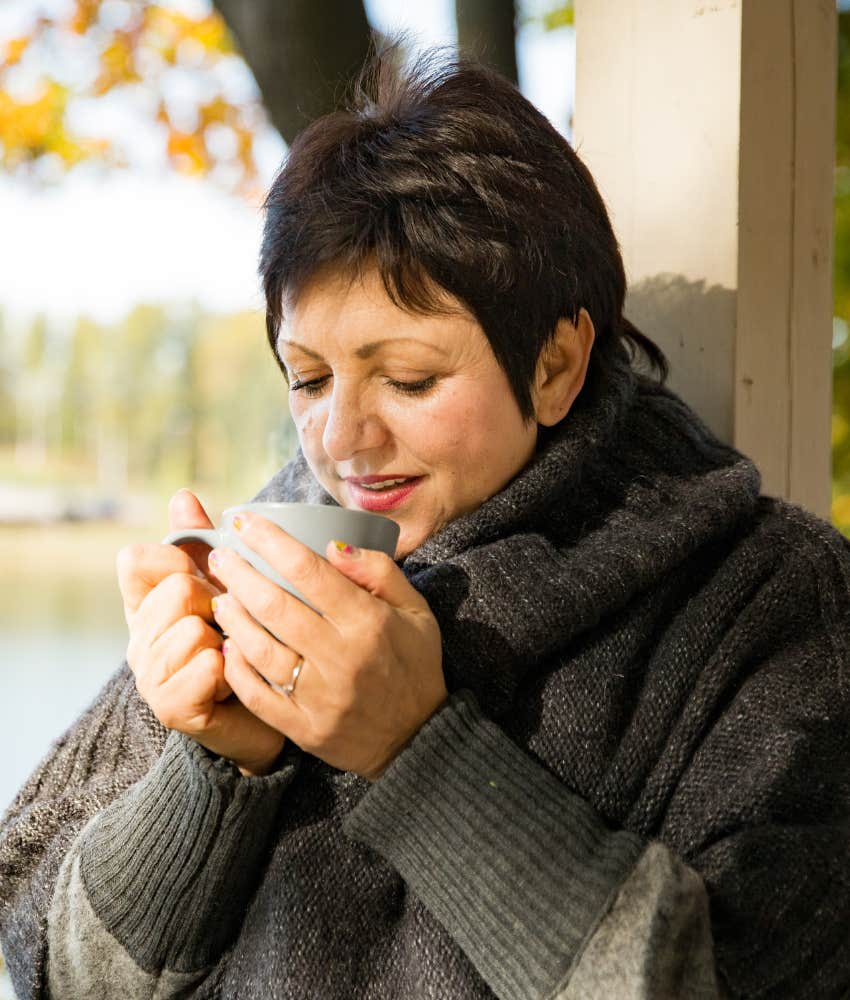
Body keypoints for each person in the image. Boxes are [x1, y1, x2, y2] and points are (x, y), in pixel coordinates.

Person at [1, 39, 849, 1000]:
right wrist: (212, 774)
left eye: (407, 378)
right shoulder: (269, 549)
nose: (341, 440)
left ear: (557, 364)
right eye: (308, 379)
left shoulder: (773, 601)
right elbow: (53, 969)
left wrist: (415, 754)